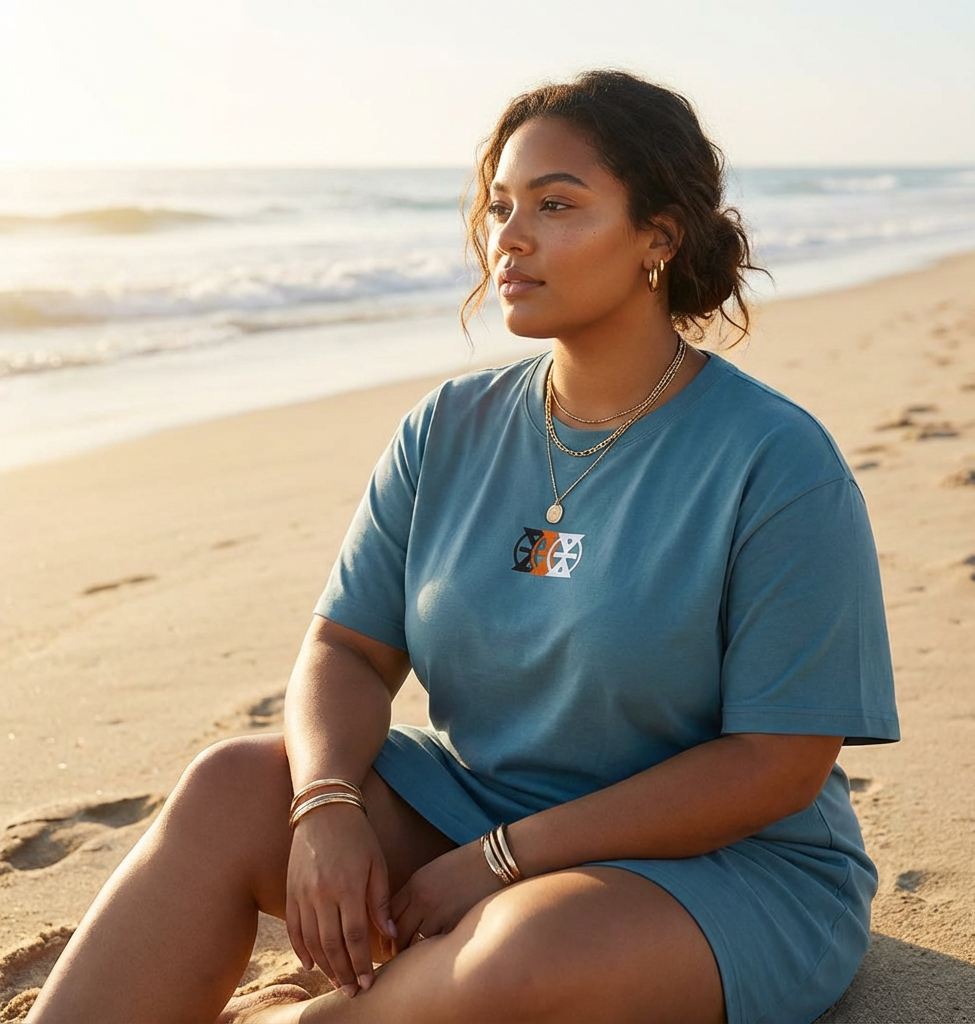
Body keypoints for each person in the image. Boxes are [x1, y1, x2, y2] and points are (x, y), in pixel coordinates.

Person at [27, 70, 899, 1024]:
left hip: (724, 867)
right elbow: (348, 651)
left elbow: (776, 763)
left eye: (556, 205)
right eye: (499, 206)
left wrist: (499, 864)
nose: (508, 236)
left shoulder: (775, 460)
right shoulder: (448, 427)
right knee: (234, 785)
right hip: (480, 808)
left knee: (523, 953)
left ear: (660, 235)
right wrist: (325, 806)